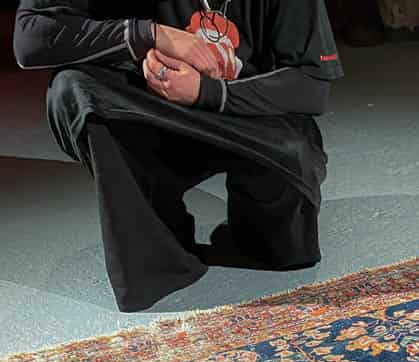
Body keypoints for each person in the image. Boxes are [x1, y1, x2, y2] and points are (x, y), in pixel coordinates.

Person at [13, 0, 342, 311]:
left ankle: (254, 218)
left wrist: (207, 92)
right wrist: (150, 35)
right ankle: (159, 241)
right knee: (74, 89)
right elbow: (31, 37)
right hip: (154, 113)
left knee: (284, 249)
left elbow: (312, 84)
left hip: (249, 118)